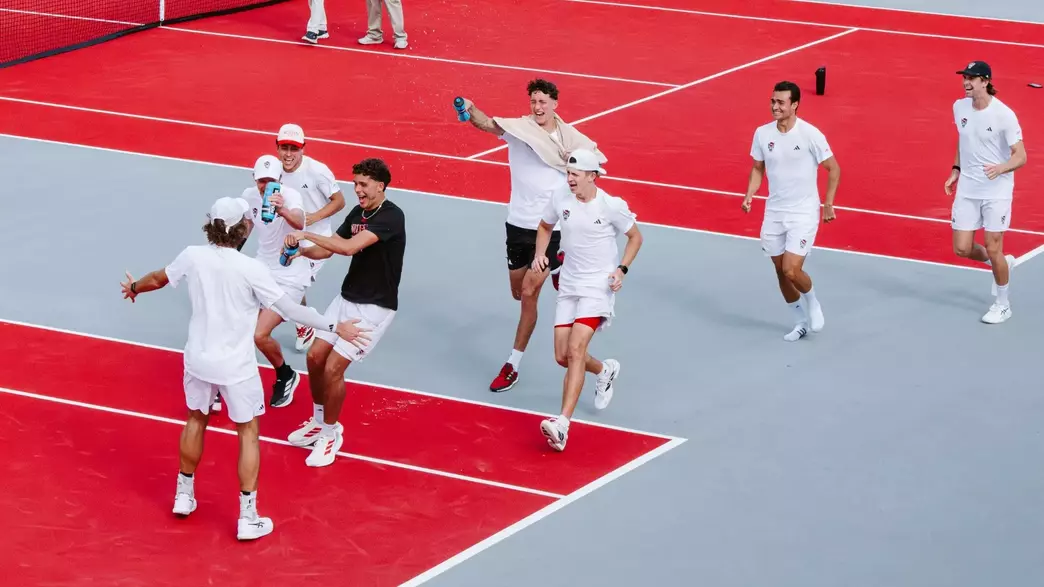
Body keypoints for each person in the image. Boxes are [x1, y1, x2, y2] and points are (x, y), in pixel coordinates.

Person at [119, 196, 370, 540]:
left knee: (196, 419)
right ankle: (247, 517)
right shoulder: (252, 270)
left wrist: (133, 288)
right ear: (241, 229)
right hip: (235, 367)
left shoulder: (192, 256)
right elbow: (292, 311)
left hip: (198, 359)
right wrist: (333, 326)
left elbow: (158, 279)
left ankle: (183, 495)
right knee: (248, 432)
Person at [458, 78, 607, 393]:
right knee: (517, 291)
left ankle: (512, 364)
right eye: (534, 102)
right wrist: (470, 109)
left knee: (528, 293)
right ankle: (559, 268)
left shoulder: (570, 140)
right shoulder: (519, 130)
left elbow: (593, 165)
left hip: (550, 229)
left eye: (543, 102)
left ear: (555, 104)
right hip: (517, 225)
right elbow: (486, 123)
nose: (538, 108)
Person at [281, 158, 406, 468]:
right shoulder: (357, 212)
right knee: (314, 358)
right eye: (355, 183)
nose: (357, 190)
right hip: (347, 298)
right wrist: (302, 252)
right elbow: (331, 246)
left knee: (334, 367)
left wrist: (307, 234)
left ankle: (330, 434)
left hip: (375, 307)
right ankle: (319, 421)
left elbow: (349, 248)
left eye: (363, 184)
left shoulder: (391, 216)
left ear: (381, 185)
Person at [531, 149, 642, 452]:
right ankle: (603, 370)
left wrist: (622, 269)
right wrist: (541, 253)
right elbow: (544, 226)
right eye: (568, 173)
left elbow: (635, 237)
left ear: (592, 176)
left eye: (575, 175)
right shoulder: (560, 199)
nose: (569, 179)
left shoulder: (610, 206)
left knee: (576, 348)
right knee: (561, 356)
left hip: (597, 285)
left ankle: (562, 424)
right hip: (569, 283)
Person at [742, 80, 840, 342]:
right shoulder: (762, 134)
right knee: (779, 270)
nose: (775, 106)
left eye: (780, 102)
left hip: (803, 212)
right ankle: (799, 322)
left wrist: (828, 203)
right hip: (774, 212)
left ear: (794, 105)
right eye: (773, 101)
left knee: (791, 270)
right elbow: (757, 168)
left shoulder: (810, 134)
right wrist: (751, 192)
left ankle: (813, 301)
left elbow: (834, 169)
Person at [945, 61, 1027, 324]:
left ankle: (1002, 304)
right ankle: (1002, 263)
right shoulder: (959, 107)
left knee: (994, 248)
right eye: (964, 78)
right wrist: (956, 169)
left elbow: (1021, 156)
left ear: (985, 81)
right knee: (962, 249)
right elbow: (963, 138)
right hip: (968, 187)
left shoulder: (1004, 115)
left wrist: (1002, 168)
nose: (966, 82)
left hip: (997, 190)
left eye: (972, 78)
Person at [240, 154, 310, 409]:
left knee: (260, 335)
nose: (265, 185)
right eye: (261, 180)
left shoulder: (290, 197)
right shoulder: (249, 196)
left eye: (271, 180)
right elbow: (247, 226)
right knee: (237, 325)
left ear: (280, 180)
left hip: (289, 276)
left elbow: (300, 222)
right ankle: (230, 381)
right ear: (254, 178)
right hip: (260, 270)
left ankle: (285, 374)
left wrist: (280, 209)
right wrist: (227, 254)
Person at [272, 123, 346, 352]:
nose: (288, 154)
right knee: (286, 283)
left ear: (303, 148)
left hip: (317, 241)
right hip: (291, 237)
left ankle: (307, 322)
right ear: (277, 147)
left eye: (294, 149)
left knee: (291, 285)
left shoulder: (317, 171)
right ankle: (305, 320)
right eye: (284, 147)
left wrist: (313, 217)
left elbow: (339, 201)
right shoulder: (273, 170)